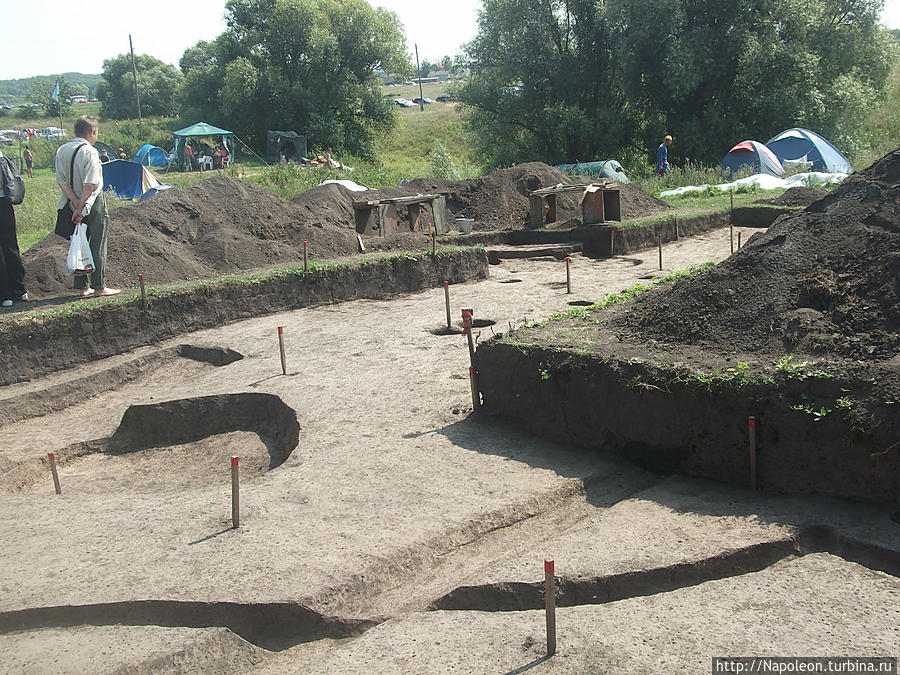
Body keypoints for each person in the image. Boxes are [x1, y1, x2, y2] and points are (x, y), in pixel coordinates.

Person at [54, 115, 119, 298]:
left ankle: (82, 286)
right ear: (92, 132)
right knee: (97, 243)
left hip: (69, 201)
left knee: (78, 241)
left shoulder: (62, 150)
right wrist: (81, 207)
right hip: (92, 202)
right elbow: (90, 184)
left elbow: (62, 181)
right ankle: (99, 286)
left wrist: (74, 203)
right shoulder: (90, 151)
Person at [0, 149, 27, 308]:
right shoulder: (2, 155)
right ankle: (20, 290)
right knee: (11, 246)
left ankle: (5, 294)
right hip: (6, 204)